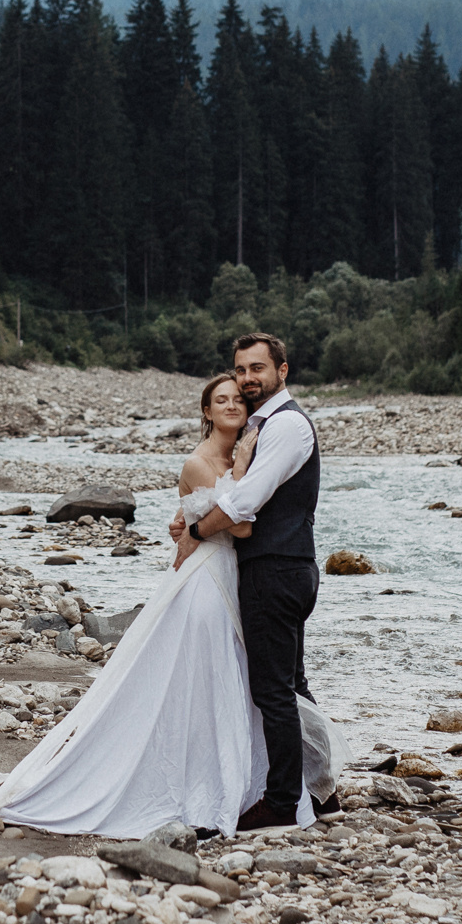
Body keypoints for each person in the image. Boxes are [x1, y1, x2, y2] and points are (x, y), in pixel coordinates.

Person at [0, 372, 275, 835]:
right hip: (208, 579)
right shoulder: (200, 462)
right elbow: (242, 525)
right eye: (221, 400)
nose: (232, 406)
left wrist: (231, 481)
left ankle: (243, 776)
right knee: (208, 674)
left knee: (231, 673)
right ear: (206, 412)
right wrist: (240, 472)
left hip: (230, 573)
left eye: (237, 399)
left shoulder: (242, 454)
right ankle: (200, 783)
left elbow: (213, 519)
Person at [169, 331, 325, 830]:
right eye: (240, 370)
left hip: (276, 570)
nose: (247, 379)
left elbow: (241, 505)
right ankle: (322, 792)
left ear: (282, 371)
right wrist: (188, 515)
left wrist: (194, 528)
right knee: (291, 686)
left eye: (257, 369)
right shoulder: (258, 428)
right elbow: (222, 493)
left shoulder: (286, 427)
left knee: (274, 692)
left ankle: (281, 802)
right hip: (277, 568)